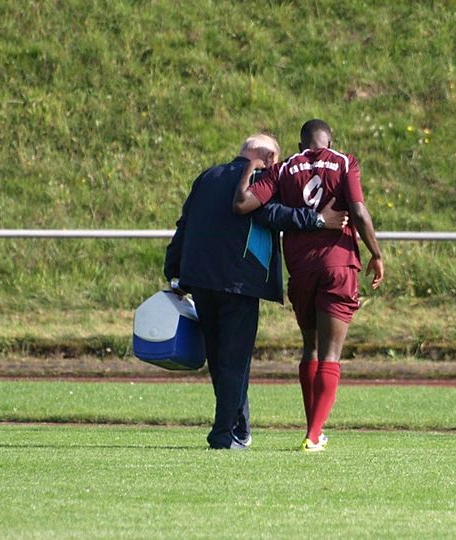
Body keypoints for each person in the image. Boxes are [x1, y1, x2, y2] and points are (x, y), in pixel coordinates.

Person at [163, 133, 348, 450]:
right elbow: (271, 214)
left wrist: (174, 272)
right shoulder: (265, 179)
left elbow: (185, 223)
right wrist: (318, 219)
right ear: (271, 157)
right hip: (240, 281)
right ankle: (223, 435)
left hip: (201, 279)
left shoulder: (207, 176)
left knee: (219, 358)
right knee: (235, 361)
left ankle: (239, 428)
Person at [233, 119, 384, 452]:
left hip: (301, 270)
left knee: (310, 348)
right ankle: (313, 435)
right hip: (338, 265)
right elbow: (357, 210)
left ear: (301, 146)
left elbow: (245, 204)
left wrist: (249, 166)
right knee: (331, 353)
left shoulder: (286, 168)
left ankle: (313, 429)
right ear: (329, 142)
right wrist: (376, 253)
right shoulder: (345, 162)